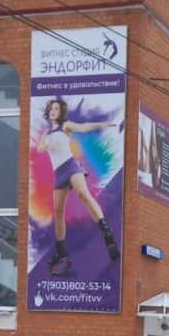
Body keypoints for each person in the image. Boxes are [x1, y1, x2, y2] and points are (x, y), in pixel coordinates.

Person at [38, 98, 121, 274]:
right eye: (52, 108)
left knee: (83, 194)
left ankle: (106, 232)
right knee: (58, 212)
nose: (54, 111)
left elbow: (84, 127)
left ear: (61, 113)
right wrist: (48, 144)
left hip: (70, 165)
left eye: (57, 109)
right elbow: (40, 148)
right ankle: (61, 250)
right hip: (59, 172)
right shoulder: (46, 133)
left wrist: (103, 124)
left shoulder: (65, 126)